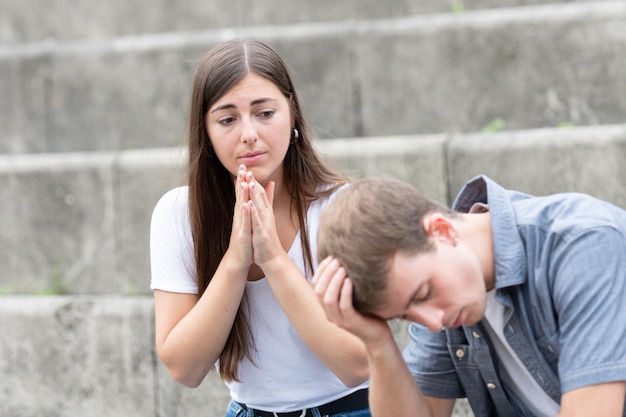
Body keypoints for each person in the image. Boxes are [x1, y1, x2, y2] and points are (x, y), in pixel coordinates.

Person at [150, 39, 370, 417]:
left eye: (264, 113)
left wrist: (272, 258)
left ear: (292, 111)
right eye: (227, 119)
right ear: (205, 130)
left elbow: (356, 365)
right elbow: (184, 368)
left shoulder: (341, 207)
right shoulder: (179, 213)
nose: (248, 133)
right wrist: (237, 258)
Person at [312, 175, 626, 417]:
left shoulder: (583, 244)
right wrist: (377, 343)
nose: (433, 322)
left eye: (424, 293)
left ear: (442, 232)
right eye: (405, 316)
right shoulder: (443, 290)